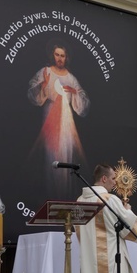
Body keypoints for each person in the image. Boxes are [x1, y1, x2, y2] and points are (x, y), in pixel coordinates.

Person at [28, 42, 90, 189]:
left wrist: (74, 93)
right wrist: (43, 85)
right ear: (53, 55)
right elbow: (32, 92)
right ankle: (50, 190)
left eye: (62, 55)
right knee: (50, 156)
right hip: (50, 117)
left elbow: (83, 102)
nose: (60, 58)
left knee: (67, 154)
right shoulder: (45, 71)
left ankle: (64, 192)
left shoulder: (71, 78)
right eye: (57, 55)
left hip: (67, 121)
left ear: (66, 57)